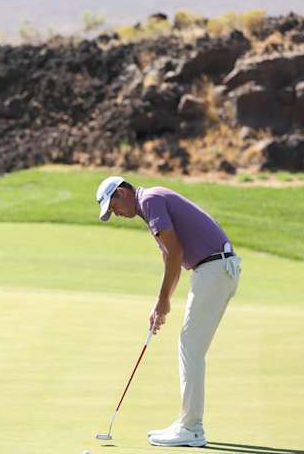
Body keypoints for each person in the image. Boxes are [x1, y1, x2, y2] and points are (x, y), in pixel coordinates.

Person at [95, 175, 241, 448]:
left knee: (190, 346)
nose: (115, 214)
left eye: (113, 207)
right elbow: (168, 255)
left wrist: (163, 300)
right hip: (213, 269)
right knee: (190, 345)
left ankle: (192, 428)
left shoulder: (149, 200)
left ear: (122, 192)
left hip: (214, 269)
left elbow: (176, 253)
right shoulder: (149, 206)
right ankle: (187, 423)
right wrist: (162, 303)